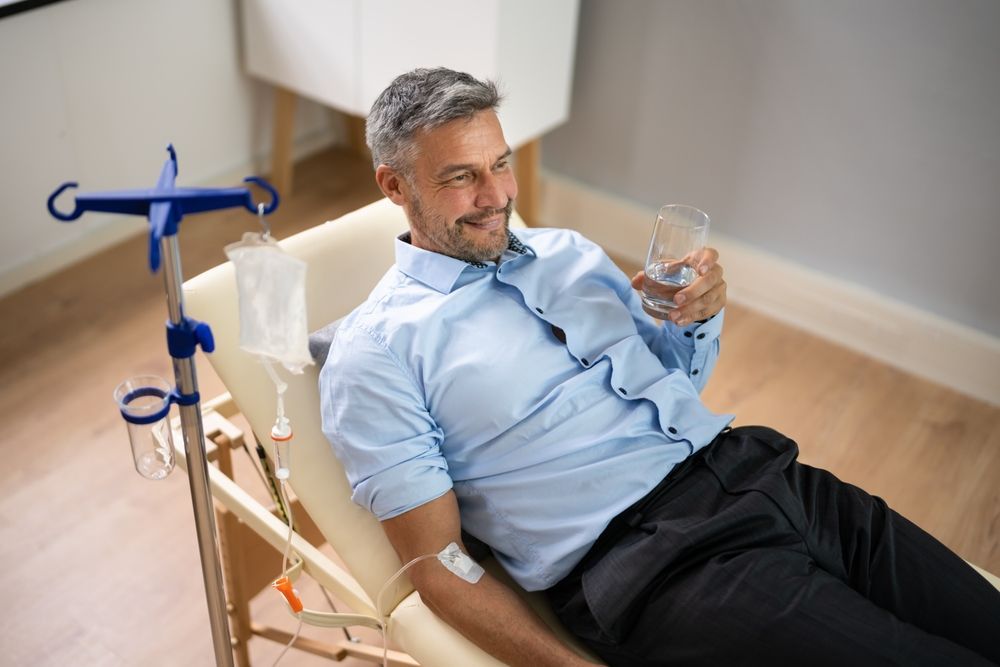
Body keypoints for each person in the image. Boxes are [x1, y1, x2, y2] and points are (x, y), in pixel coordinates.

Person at [320, 68, 1000, 667]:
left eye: (500, 162)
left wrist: (696, 318)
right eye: (461, 176)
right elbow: (440, 569)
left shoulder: (566, 252)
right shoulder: (376, 355)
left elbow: (667, 384)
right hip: (661, 570)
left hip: (764, 473)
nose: (496, 194)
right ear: (394, 185)